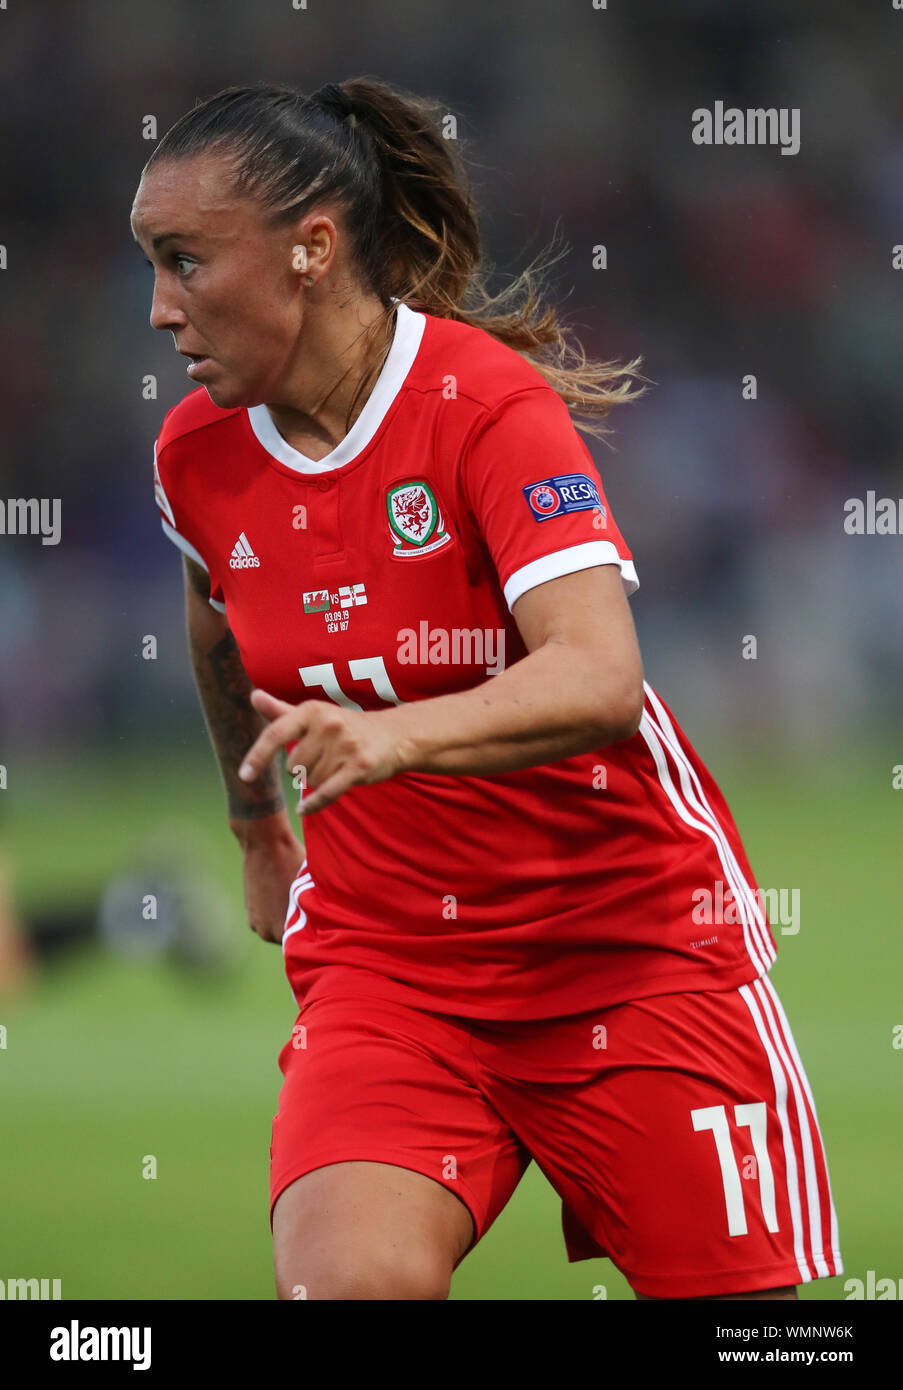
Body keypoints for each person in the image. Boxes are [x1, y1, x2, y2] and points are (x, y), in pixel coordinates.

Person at [130, 77, 841, 1301]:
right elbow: (213, 633)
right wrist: (257, 827)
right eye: (151, 263)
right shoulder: (196, 451)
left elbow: (598, 675)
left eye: (185, 261)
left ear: (312, 250)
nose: (158, 310)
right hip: (391, 964)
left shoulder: (488, 408)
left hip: (627, 946)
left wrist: (395, 737)